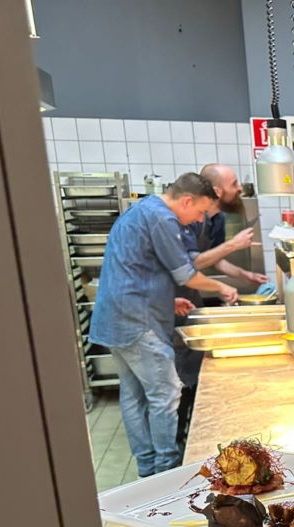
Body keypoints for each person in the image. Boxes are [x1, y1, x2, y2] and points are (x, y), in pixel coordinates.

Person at [89, 173, 238, 478]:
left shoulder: (141, 211)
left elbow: (134, 269)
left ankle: (147, 468)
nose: (198, 220)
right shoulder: (163, 218)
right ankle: (167, 472)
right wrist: (222, 288)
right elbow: (186, 274)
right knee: (166, 394)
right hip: (137, 322)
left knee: (133, 395)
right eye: (200, 212)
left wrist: (166, 301)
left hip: (116, 316)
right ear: (187, 200)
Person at [173, 164, 266, 436]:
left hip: (192, 297)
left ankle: (191, 418)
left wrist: (245, 275)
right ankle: (182, 431)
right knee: (181, 376)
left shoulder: (218, 219)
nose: (239, 189)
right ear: (216, 190)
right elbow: (190, 265)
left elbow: (215, 259)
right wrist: (233, 246)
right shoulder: (187, 220)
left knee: (194, 369)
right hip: (177, 299)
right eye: (234, 183)